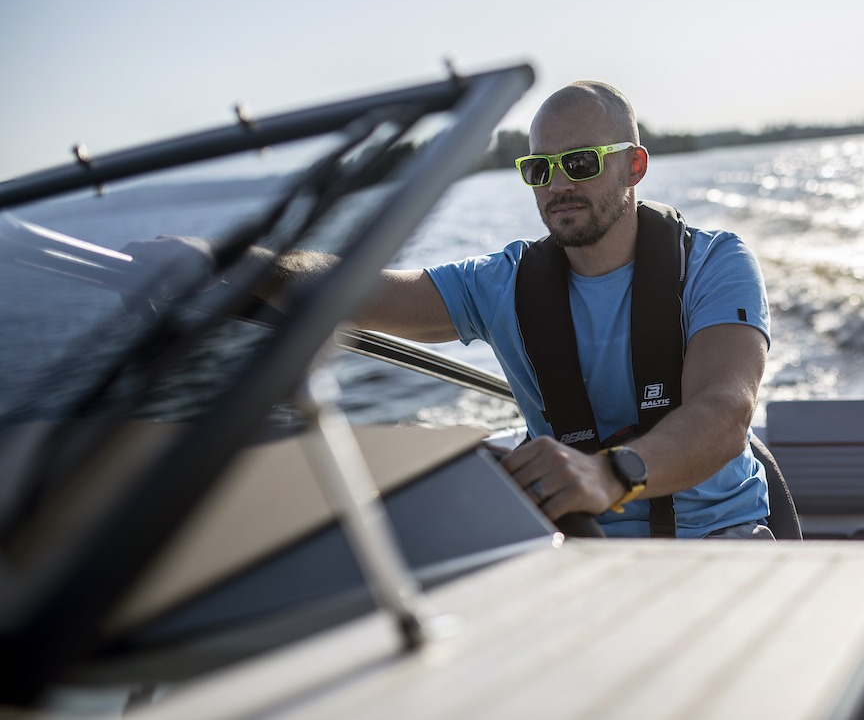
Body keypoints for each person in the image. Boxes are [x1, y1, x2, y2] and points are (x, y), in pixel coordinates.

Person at [130, 81, 774, 539]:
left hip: (718, 538)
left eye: (579, 163)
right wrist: (234, 262)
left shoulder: (713, 263)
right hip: (576, 546)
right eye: (539, 169)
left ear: (633, 166)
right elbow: (368, 292)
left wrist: (611, 473)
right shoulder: (503, 284)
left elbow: (724, 412)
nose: (558, 185)